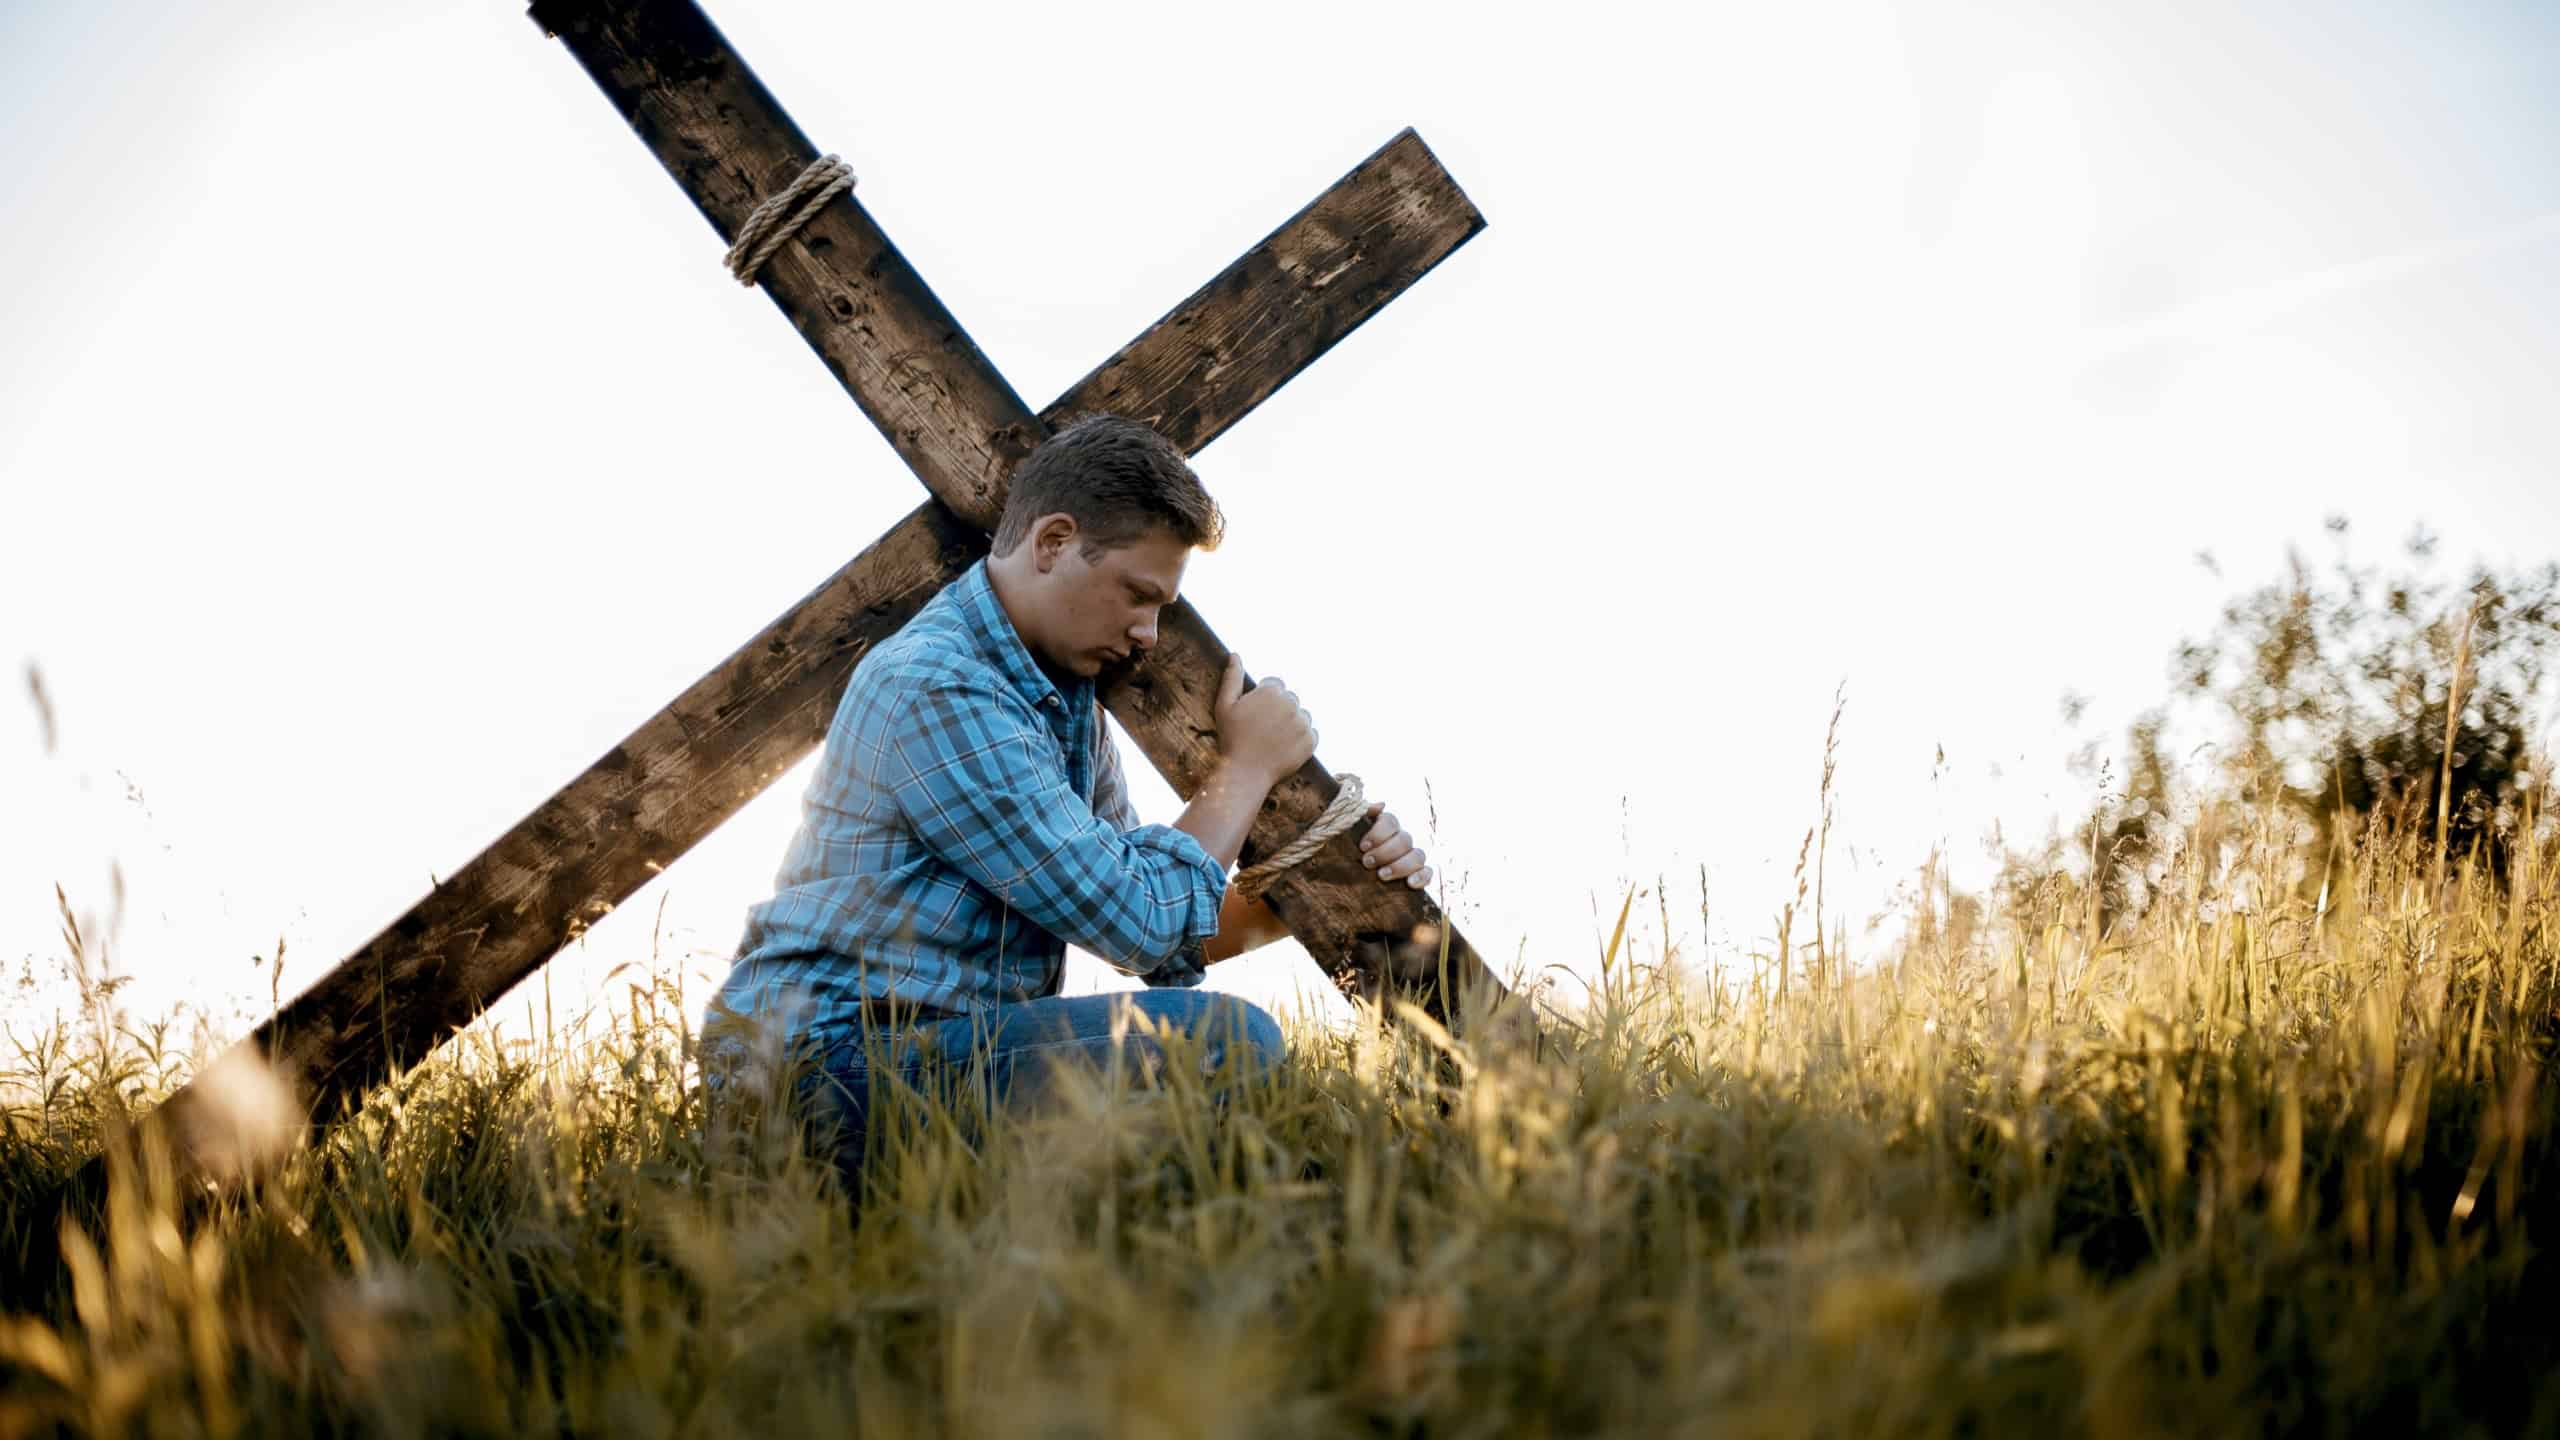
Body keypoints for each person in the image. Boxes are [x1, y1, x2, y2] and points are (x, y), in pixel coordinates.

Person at [701, 414, 1434, 1179]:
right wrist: (1244, 770)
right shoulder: (939, 686)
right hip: (824, 1066)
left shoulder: (1059, 702)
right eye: (1138, 595)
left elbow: (1158, 930)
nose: (1148, 634)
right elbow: (1139, 922)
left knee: (1221, 1080)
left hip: (936, 1052)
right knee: (1222, 1046)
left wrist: (1327, 885)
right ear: (1053, 543)